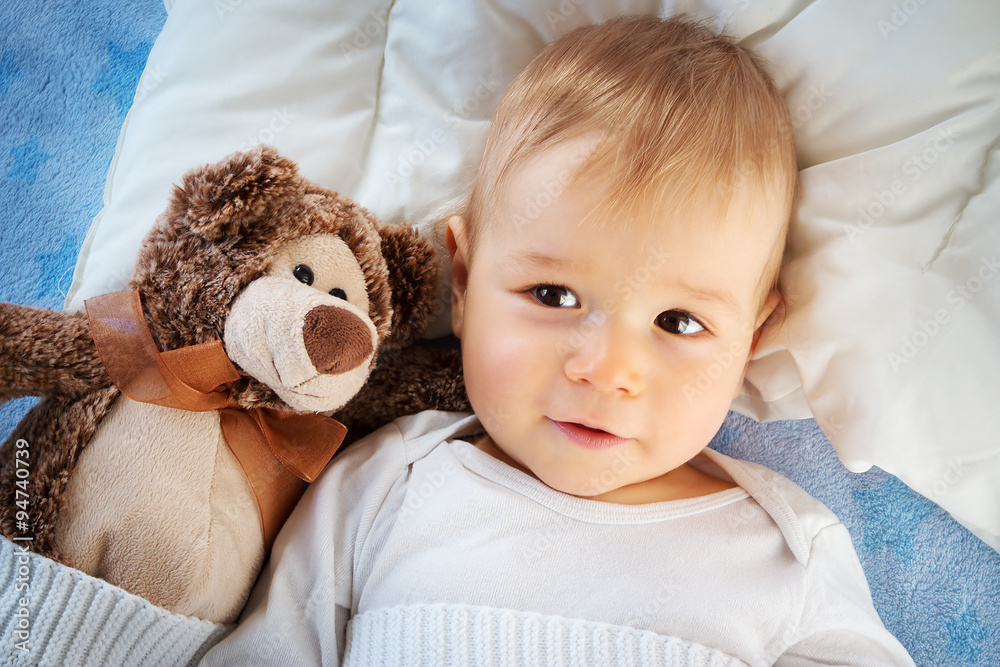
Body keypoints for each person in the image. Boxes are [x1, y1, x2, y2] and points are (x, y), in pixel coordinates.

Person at [202, 15, 914, 666]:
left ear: (751, 338)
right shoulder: (387, 485)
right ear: (467, 276)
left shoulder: (787, 557)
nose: (606, 370)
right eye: (553, 296)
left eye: (679, 322)